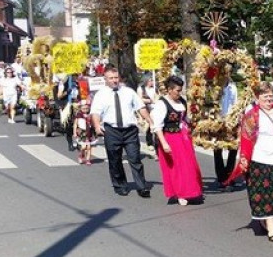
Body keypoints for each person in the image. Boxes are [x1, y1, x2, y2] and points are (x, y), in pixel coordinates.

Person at [227, 82, 273, 242]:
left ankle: (266, 218)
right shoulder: (252, 115)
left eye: (270, 96)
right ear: (257, 98)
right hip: (261, 157)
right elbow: (246, 138)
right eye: (265, 96)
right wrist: (245, 158)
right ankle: (271, 226)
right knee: (266, 194)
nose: (269, 99)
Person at [90, 67, 152, 198]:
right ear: (105, 80)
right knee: (115, 160)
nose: (114, 81)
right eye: (111, 78)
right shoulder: (100, 95)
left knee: (135, 159)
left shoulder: (129, 92)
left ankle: (142, 186)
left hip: (130, 131)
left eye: (116, 78)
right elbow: (95, 112)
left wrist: (150, 121)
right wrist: (96, 126)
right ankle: (120, 185)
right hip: (112, 131)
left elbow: (141, 107)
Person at [152, 76, 204, 206]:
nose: (179, 93)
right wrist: (164, 143)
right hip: (170, 137)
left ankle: (190, 190)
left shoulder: (181, 101)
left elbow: (184, 119)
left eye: (180, 90)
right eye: (177, 90)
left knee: (189, 164)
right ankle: (180, 193)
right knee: (176, 167)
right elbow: (157, 126)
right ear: (169, 90)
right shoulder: (162, 104)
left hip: (183, 136)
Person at [213, 75, 239, 187]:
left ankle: (229, 175)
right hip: (217, 121)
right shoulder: (215, 87)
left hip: (231, 121)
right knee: (217, 148)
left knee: (233, 148)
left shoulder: (233, 87)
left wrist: (235, 119)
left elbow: (235, 103)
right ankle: (221, 177)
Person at [74, 99, 96, 165]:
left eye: (87, 108)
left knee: (89, 147)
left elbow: (93, 123)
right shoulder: (79, 115)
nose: (85, 110)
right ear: (80, 108)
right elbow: (75, 124)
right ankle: (81, 155)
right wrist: (75, 132)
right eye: (83, 108)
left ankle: (88, 159)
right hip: (82, 132)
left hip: (89, 132)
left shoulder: (90, 114)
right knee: (83, 147)